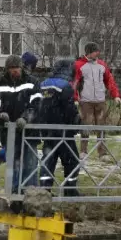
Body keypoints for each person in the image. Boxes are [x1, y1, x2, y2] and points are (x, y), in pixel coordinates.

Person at [0, 55, 42, 193]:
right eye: (11, 68)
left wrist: (26, 118)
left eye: (16, 68)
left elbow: (37, 104)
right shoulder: (0, 84)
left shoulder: (32, 82)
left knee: (30, 163)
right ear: (7, 69)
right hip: (8, 132)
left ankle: (29, 193)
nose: (14, 71)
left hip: (29, 132)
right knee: (14, 164)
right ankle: (16, 193)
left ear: (21, 67)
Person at [36, 59, 82, 196]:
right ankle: (70, 188)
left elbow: (39, 105)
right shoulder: (65, 86)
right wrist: (75, 123)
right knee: (72, 160)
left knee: (49, 159)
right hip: (62, 130)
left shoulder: (43, 84)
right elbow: (69, 109)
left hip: (47, 129)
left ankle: (45, 188)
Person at [73, 42, 121, 160]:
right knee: (86, 125)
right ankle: (83, 151)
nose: (98, 53)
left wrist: (115, 95)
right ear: (89, 52)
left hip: (100, 100)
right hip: (86, 100)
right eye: (95, 51)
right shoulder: (78, 65)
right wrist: (75, 97)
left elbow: (109, 81)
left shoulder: (102, 65)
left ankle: (102, 152)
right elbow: (74, 82)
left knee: (101, 126)